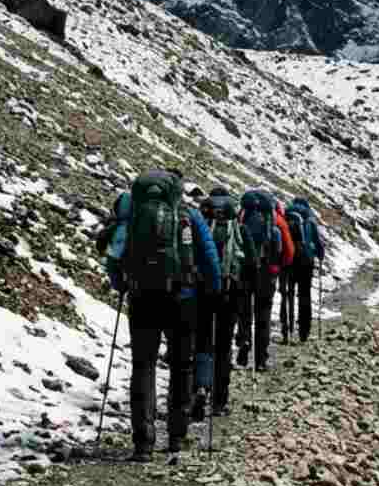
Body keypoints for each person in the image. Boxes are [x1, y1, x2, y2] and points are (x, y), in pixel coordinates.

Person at [102, 169, 221, 462]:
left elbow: (114, 257)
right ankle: (176, 438)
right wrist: (213, 290)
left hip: (142, 298)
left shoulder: (133, 215)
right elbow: (209, 256)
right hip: (182, 300)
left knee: (143, 366)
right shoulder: (189, 215)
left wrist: (122, 286)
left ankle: (143, 443)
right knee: (182, 366)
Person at [192, 187, 255, 419]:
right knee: (223, 346)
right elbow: (252, 263)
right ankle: (219, 402)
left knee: (202, 343)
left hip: (203, 294)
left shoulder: (200, 229)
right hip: (230, 296)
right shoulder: (240, 230)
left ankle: (199, 388)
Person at [235, 189, 293, 372]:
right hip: (267, 273)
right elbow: (288, 252)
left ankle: (244, 340)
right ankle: (261, 359)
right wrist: (278, 266)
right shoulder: (276, 222)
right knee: (263, 316)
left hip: (245, 272)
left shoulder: (242, 218)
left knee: (244, 312)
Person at [283, 198, 326, 343]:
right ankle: (304, 332)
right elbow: (318, 243)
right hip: (305, 261)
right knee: (304, 295)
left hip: (288, 260)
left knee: (288, 294)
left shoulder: (286, 215)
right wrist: (320, 255)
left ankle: (287, 331)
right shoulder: (309, 219)